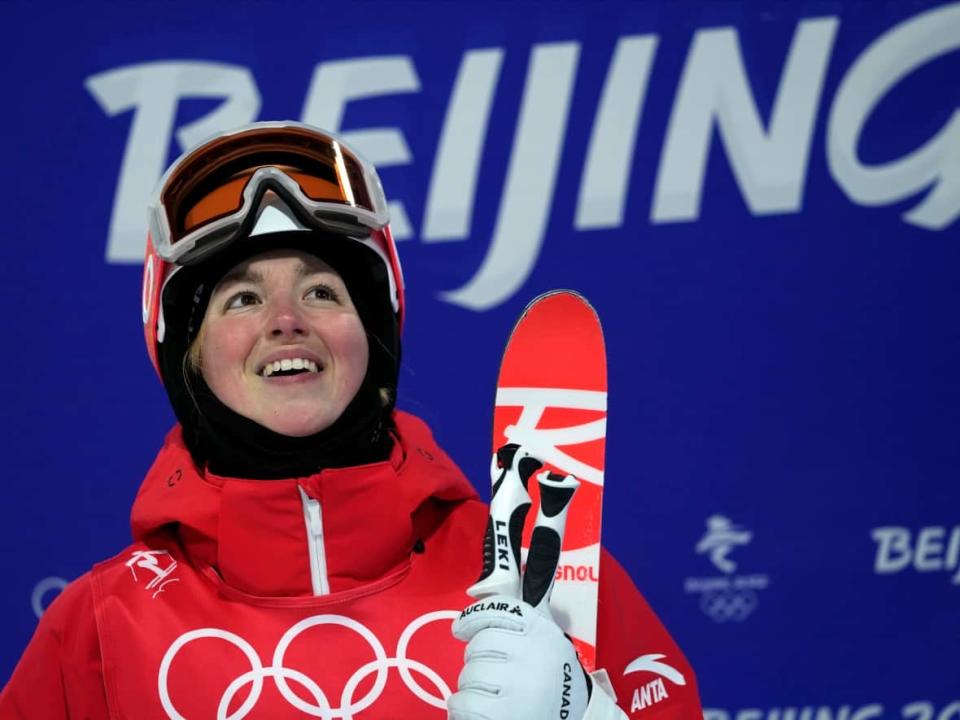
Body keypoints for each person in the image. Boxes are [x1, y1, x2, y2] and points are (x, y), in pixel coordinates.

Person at [0, 122, 702, 719]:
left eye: (320, 290)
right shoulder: (101, 625)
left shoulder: (541, 577)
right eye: (241, 300)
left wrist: (590, 714)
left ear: (374, 335)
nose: (285, 321)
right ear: (187, 358)